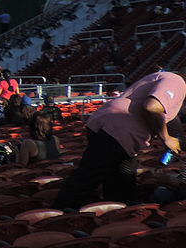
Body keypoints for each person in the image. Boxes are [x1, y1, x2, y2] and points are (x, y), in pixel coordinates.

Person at [54, 70, 185, 209]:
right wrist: (166, 138)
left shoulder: (167, 80)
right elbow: (152, 107)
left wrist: (175, 138)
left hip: (117, 130)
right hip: (118, 130)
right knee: (88, 179)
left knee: (122, 184)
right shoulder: (177, 81)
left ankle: (116, 214)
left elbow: (169, 120)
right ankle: (58, 214)